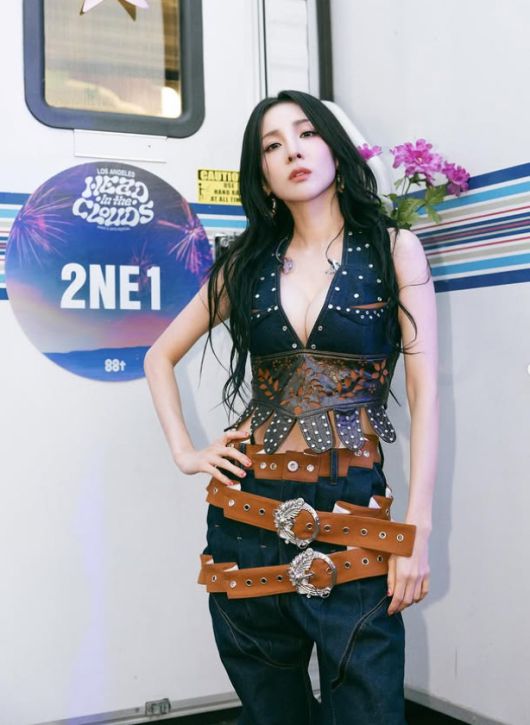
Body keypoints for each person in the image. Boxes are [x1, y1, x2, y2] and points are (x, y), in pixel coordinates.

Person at [144, 89, 438, 725]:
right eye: (272, 146)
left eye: (306, 134)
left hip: (353, 510)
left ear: (335, 148)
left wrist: (416, 534)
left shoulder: (393, 248)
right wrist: (187, 452)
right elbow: (158, 356)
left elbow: (424, 393)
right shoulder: (245, 264)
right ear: (263, 177)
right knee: (271, 714)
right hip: (245, 518)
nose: (293, 152)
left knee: (369, 709)